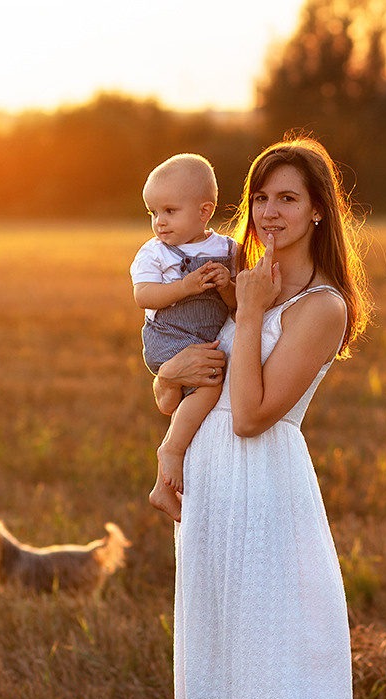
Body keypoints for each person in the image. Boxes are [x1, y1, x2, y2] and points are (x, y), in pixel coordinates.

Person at [154, 136, 372, 699]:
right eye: (261, 197)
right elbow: (185, 389)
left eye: (288, 198)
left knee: (274, 676)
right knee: (241, 684)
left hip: (265, 493)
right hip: (216, 493)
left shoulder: (322, 306)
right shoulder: (247, 280)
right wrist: (167, 378)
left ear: (318, 210)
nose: (270, 212)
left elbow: (250, 415)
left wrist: (248, 313)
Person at [130, 153, 237, 521]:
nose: (159, 222)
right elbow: (144, 296)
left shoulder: (227, 249)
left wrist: (227, 286)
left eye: (170, 211)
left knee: (199, 388)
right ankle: (171, 450)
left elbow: (236, 305)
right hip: (168, 335)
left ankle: (162, 485)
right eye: (153, 213)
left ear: (205, 211)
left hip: (202, 337)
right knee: (209, 383)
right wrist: (184, 286)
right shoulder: (155, 252)